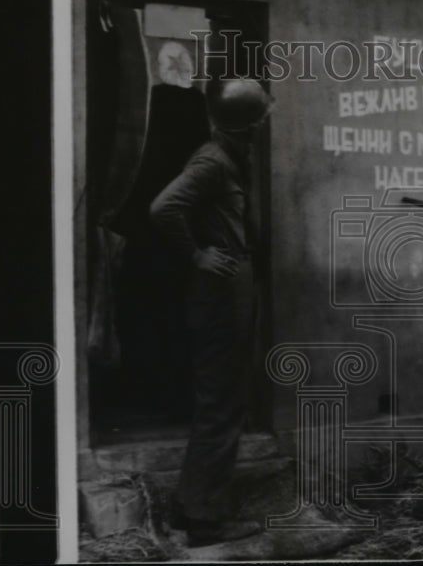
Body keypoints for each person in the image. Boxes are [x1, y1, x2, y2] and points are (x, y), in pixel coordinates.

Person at [150, 78, 270, 546]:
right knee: (221, 404)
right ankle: (206, 522)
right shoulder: (212, 160)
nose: (262, 126)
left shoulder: (230, 154)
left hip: (228, 290)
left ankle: (188, 505)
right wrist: (197, 253)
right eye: (259, 119)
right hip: (219, 293)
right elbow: (163, 208)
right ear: (248, 125)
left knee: (221, 401)